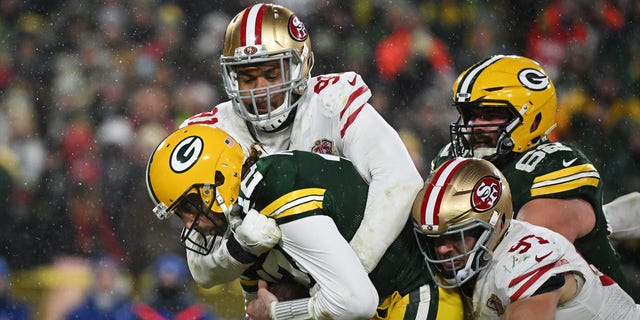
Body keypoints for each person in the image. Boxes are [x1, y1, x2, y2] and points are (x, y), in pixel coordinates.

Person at [179, 3, 423, 286]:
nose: (259, 88)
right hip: (284, 287)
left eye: (271, 74)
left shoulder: (332, 101)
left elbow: (400, 179)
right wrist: (241, 249)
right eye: (246, 77)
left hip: (374, 279)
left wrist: (351, 270)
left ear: (301, 66)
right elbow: (201, 269)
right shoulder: (212, 132)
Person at [145, 125, 463, 320]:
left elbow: (355, 302)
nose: (189, 221)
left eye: (189, 205)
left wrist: (275, 312)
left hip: (411, 296)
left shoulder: (272, 188)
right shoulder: (245, 223)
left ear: (219, 179)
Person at [430, 54, 632, 294]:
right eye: (470, 114)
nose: (474, 126)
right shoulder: (453, 159)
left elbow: (522, 263)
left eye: (489, 115)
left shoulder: (552, 165)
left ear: (533, 119)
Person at [412, 157, 640, 319]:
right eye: (435, 239)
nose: (442, 250)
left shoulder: (525, 257)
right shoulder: (487, 257)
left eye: (456, 237)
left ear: (496, 224)